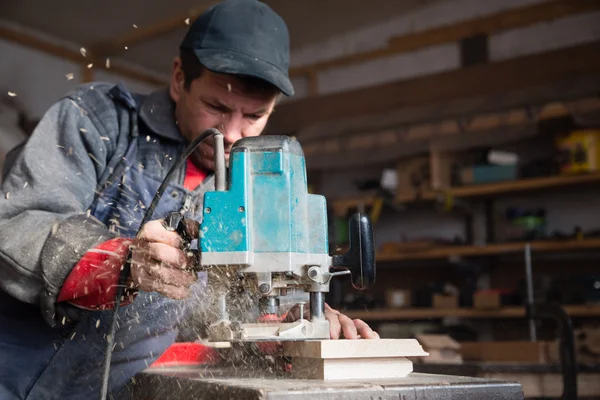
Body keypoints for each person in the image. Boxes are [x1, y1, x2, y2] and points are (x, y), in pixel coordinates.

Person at [0, 1, 379, 399]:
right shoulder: (98, 120)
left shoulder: (259, 185)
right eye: (216, 107)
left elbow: (242, 306)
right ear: (179, 78)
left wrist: (293, 320)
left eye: (254, 116)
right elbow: (18, 223)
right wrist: (122, 262)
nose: (233, 134)